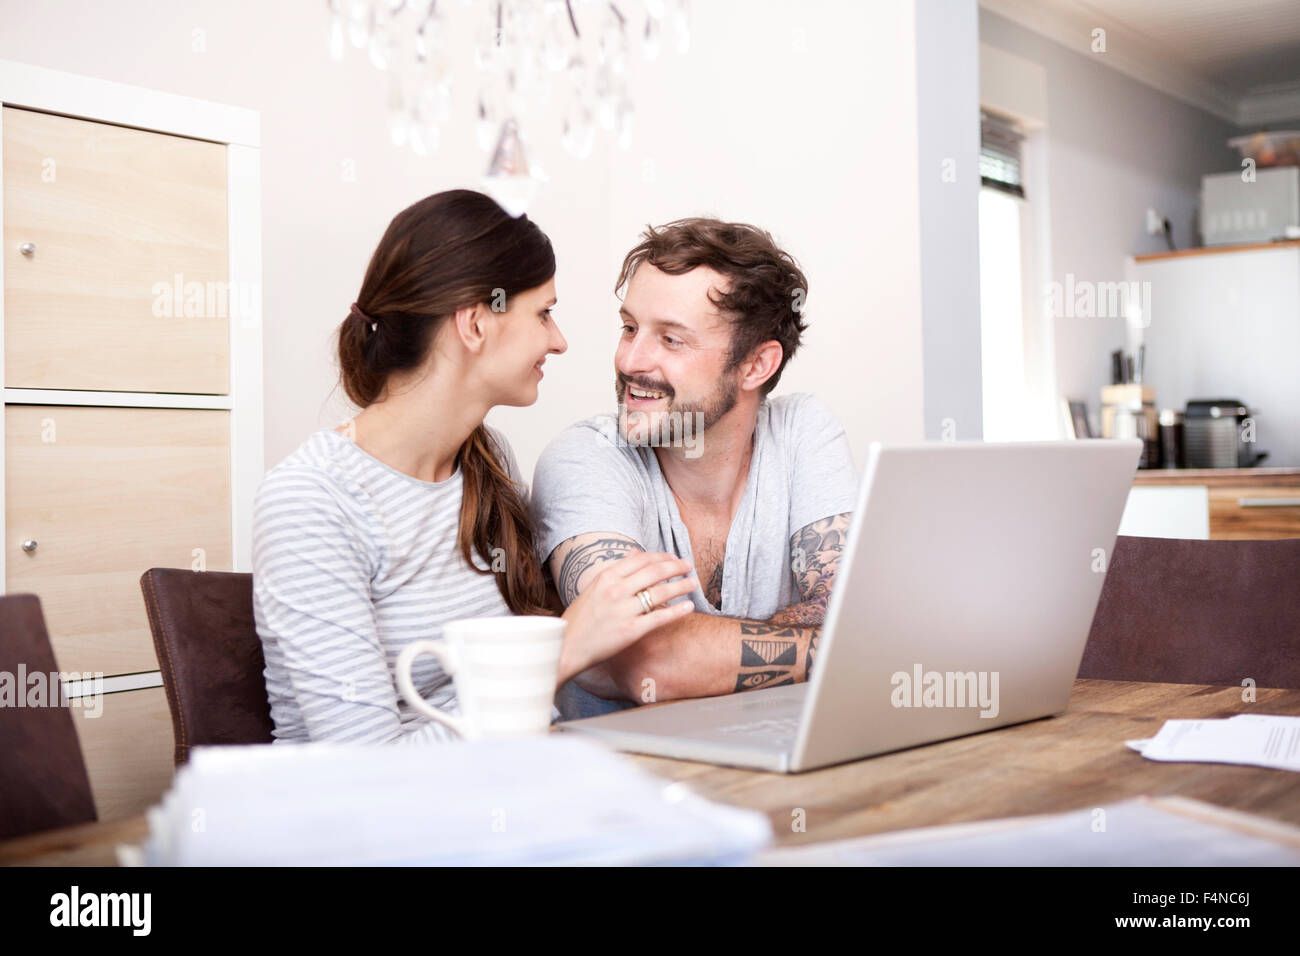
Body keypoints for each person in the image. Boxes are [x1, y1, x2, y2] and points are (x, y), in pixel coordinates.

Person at [252, 189, 696, 744]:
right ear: (475, 324)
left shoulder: (484, 465)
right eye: (544, 313)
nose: (558, 342)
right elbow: (369, 768)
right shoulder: (311, 501)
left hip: (510, 791)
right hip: (391, 820)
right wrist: (559, 651)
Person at [531, 217, 858, 718]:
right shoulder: (586, 455)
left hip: (776, 766)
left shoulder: (802, 430)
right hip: (622, 781)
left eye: (672, 340)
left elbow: (856, 616)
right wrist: (840, 648)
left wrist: (703, 649)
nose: (631, 360)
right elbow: (650, 661)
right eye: (630, 328)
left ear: (756, 366)